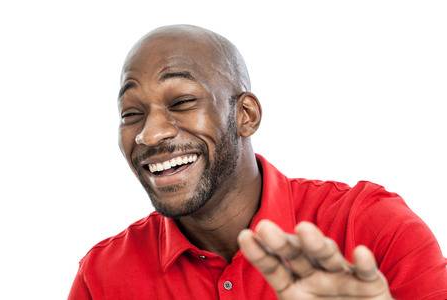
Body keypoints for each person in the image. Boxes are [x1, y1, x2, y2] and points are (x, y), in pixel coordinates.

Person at [68, 24, 447, 299]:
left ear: (245, 115)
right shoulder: (101, 277)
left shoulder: (374, 227)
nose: (149, 135)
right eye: (131, 113)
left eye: (181, 102)